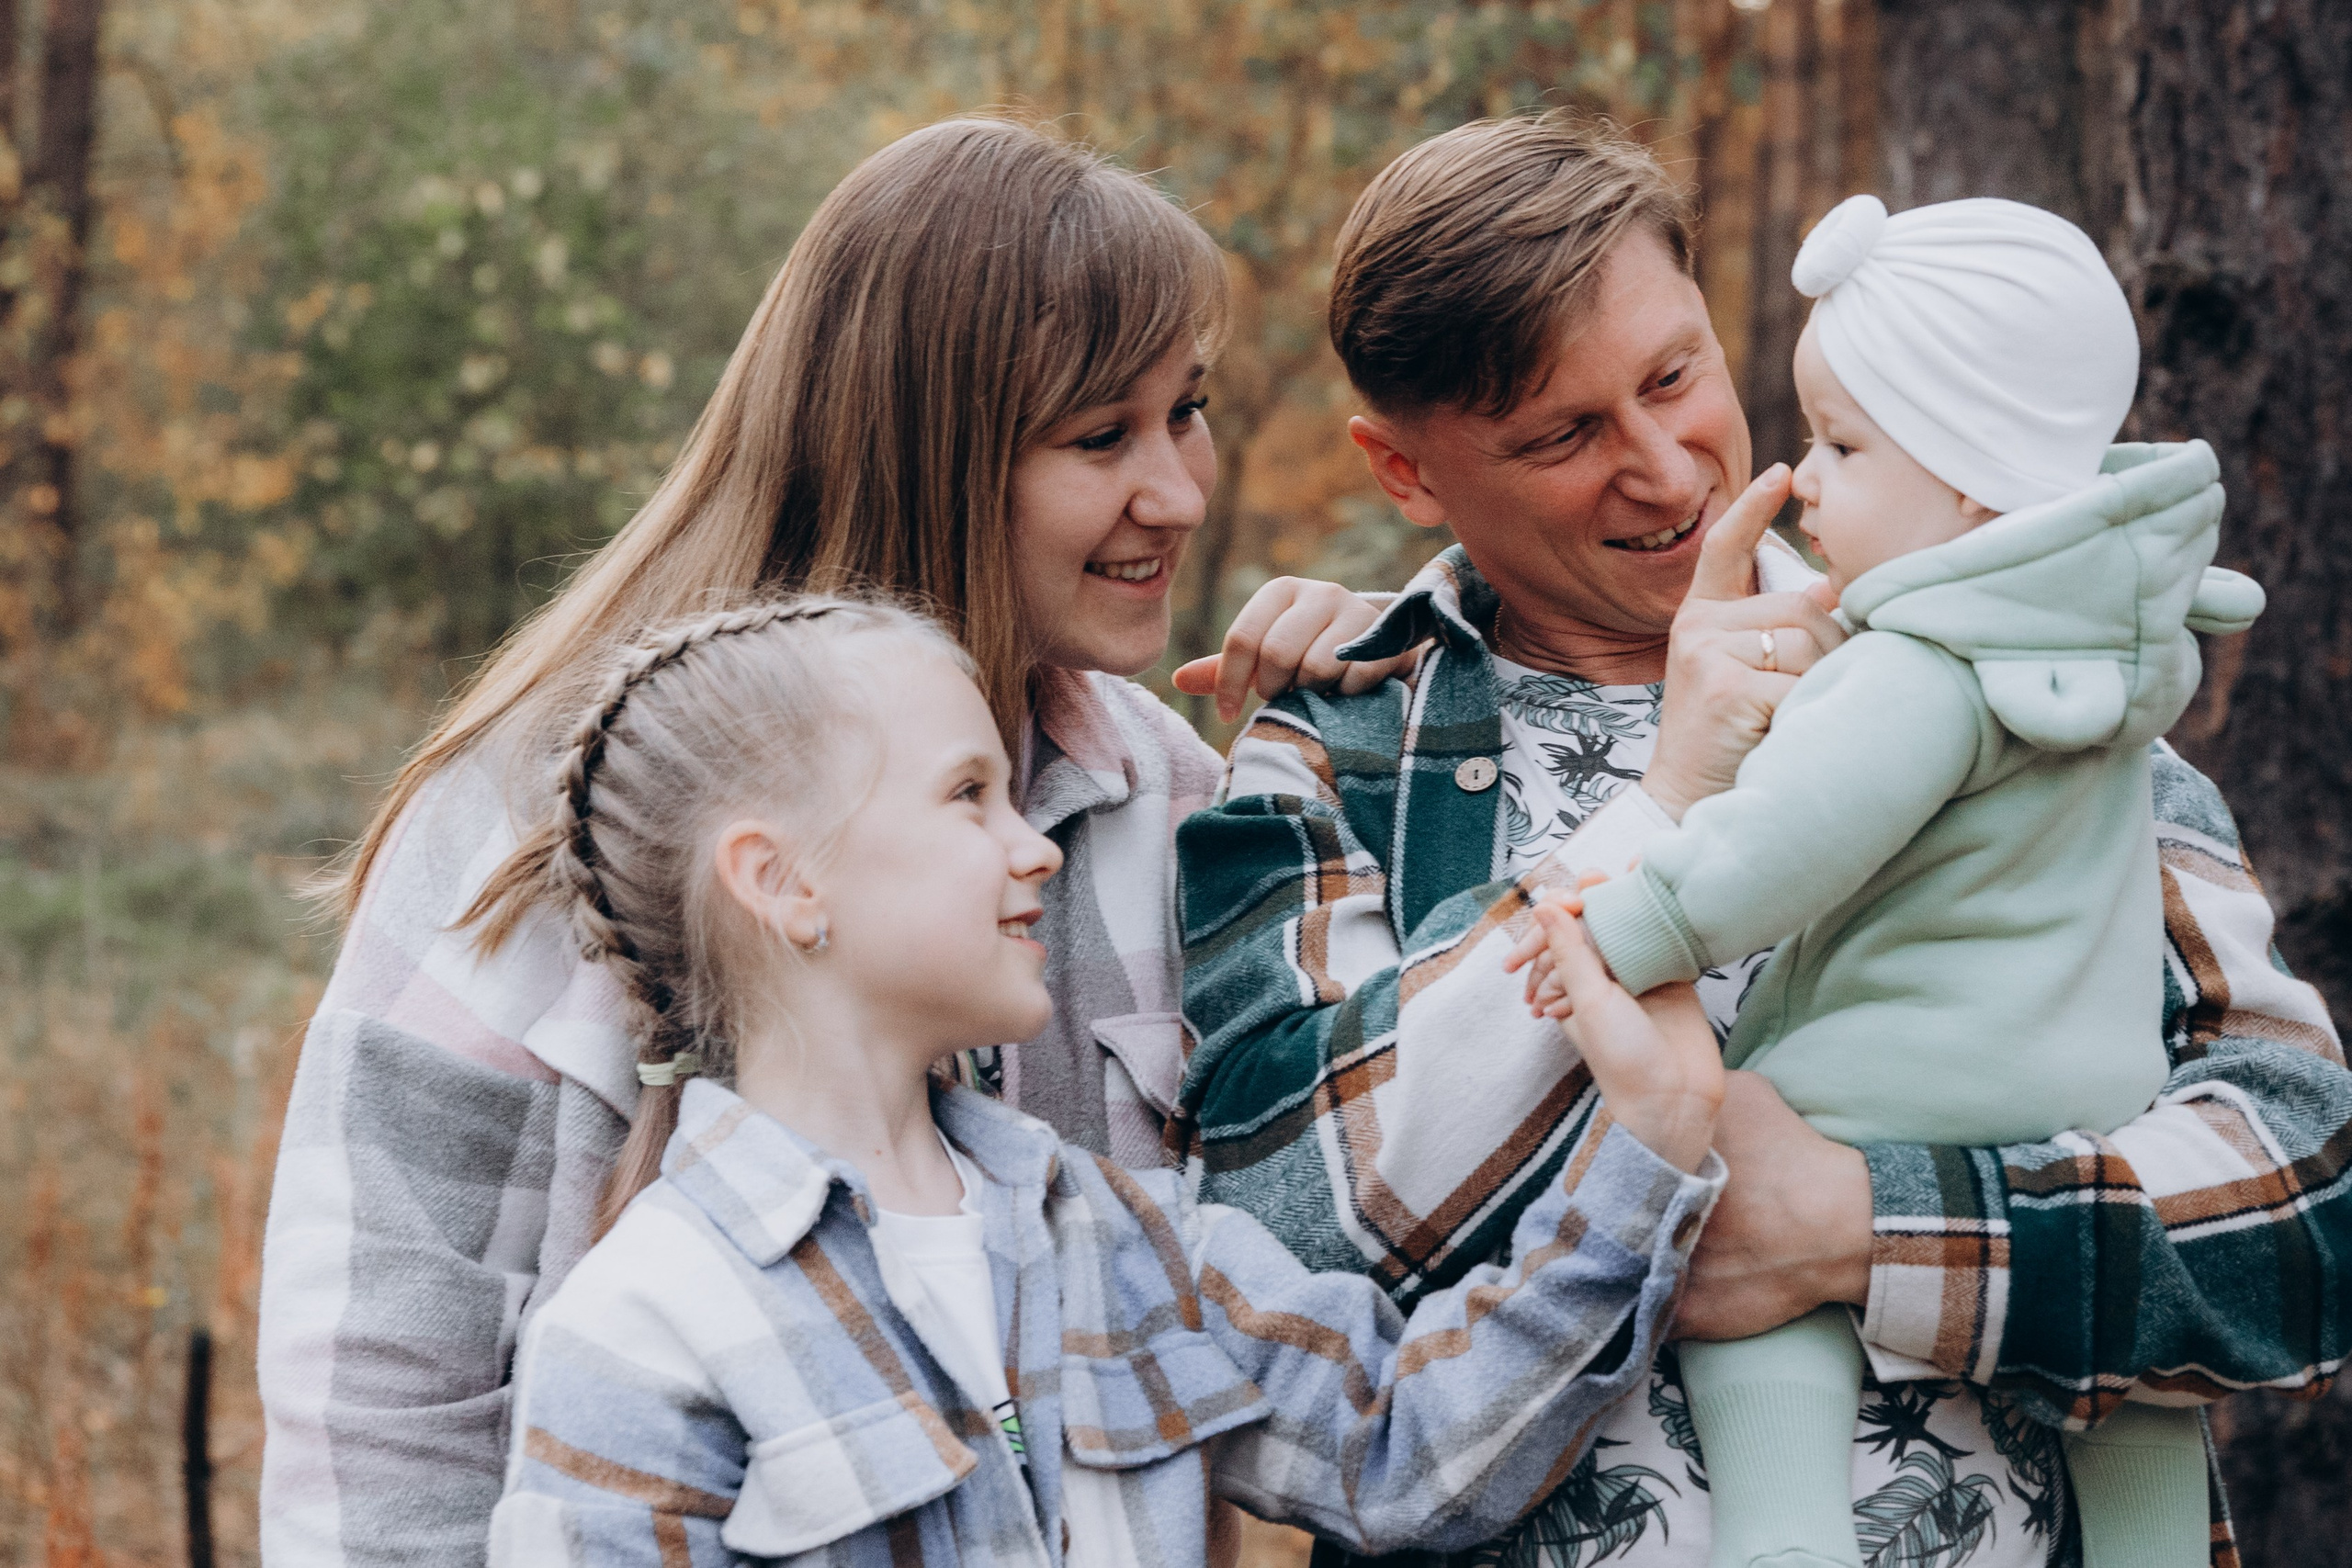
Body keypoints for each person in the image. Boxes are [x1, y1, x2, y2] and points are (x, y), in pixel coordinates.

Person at [1175, 113, 2349, 1568]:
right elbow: (1275, 1243)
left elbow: (2306, 1203)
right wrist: (1660, 803)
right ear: (1405, 472)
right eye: (1564, 437)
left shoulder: (2026, 674)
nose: (1669, 473)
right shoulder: (1327, 749)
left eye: (1676, 378)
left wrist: (1864, 1229)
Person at [255, 118, 1419, 1568]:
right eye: (1100, 436)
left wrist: (1373, 743)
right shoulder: (553, 812)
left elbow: (1329, 1264)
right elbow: (384, 1387)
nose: (1178, 491)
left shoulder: (1168, 794)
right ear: (928, 447)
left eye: (1186, 411)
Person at [477, 592, 1727, 1567]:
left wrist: (1649, 1147)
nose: (1034, 848)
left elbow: (1405, 1454)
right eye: (969, 799)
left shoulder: (1121, 1238)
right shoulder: (641, 1337)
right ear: (783, 881)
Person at [1524, 192, 2264, 1568]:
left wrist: (1640, 918)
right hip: (2098, 1111)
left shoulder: (1917, 666)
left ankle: (1786, 1536)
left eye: (1842, 446)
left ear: (1972, 483)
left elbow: (1793, 838)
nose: (1805, 478)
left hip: (1893, 1085)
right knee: (2142, 1399)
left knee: (1760, 1292)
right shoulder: (2103, 656)